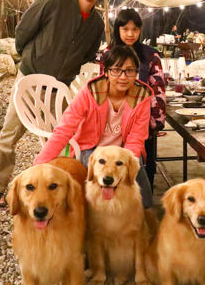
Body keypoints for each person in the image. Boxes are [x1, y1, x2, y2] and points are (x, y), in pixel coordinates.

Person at [0, 0, 107, 207]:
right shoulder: (54, 3)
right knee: (10, 133)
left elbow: (88, 53)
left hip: (59, 86)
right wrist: (30, 60)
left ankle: (55, 188)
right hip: (30, 79)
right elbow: (23, 32)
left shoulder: (96, 23)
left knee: (60, 137)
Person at [34, 46, 154, 207]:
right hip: (92, 147)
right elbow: (65, 129)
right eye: (117, 70)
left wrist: (126, 166)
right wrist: (39, 164)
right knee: (93, 192)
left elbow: (136, 138)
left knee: (143, 198)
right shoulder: (90, 92)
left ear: (136, 72)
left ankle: (138, 216)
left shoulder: (142, 96)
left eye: (130, 70)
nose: (123, 77)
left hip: (124, 149)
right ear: (106, 71)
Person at [101, 9, 166, 189]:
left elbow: (158, 90)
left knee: (143, 167)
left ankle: (143, 203)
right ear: (117, 30)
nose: (130, 34)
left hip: (142, 121)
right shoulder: (108, 53)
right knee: (113, 166)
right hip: (113, 123)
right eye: (125, 29)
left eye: (135, 29)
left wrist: (155, 122)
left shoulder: (151, 55)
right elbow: (102, 88)